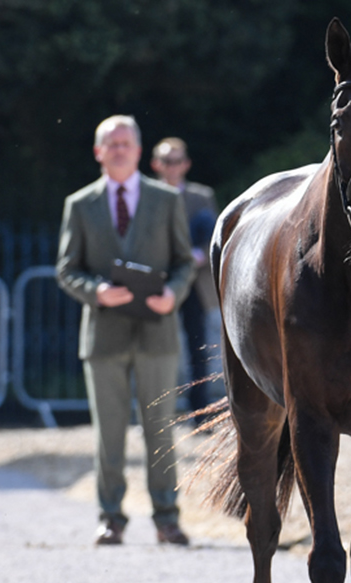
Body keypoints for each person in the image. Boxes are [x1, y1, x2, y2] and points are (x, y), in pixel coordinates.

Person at [57, 116, 196, 546]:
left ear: (139, 151)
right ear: (98, 152)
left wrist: (173, 294)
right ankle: (111, 517)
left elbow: (183, 263)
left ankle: (167, 518)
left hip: (157, 331)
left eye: (126, 143)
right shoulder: (79, 204)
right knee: (109, 433)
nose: (119, 149)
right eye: (110, 143)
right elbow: (66, 269)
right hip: (103, 336)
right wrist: (95, 291)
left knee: (160, 430)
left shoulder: (166, 200)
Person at [150, 137, 219, 427]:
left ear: (186, 164)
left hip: (193, 284)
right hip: (157, 282)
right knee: (154, 347)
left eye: (177, 160)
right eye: (167, 160)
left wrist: (199, 256)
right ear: (156, 164)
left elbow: (216, 236)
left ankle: (198, 413)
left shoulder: (201, 196)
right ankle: (156, 414)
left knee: (196, 347)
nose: (172, 166)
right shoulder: (146, 195)